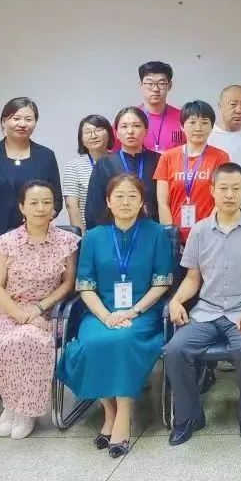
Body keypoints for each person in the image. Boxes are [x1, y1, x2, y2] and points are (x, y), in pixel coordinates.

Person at [55, 174, 173, 458]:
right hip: (101, 312)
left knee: (122, 341)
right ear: (108, 201)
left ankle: (123, 416)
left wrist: (133, 311)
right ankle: (110, 411)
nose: (125, 202)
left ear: (142, 201)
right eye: (119, 196)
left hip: (142, 312)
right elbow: (85, 286)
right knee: (92, 343)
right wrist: (107, 316)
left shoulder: (156, 233)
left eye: (133, 196)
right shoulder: (94, 237)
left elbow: (162, 282)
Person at [163, 163, 241, 447]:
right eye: (223, 188)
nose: (229, 194)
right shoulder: (199, 231)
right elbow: (192, 278)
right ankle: (189, 417)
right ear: (212, 190)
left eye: (236, 188)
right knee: (175, 350)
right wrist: (176, 300)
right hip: (207, 311)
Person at [0, 180, 79, 439]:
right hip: (6, 309)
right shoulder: (6, 242)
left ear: (54, 208)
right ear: (22, 207)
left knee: (29, 340)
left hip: (47, 311)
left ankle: (26, 410)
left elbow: (68, 283)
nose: (41, 208)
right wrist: (20, 315)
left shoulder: (67, 241)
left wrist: (39, 308)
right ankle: (11, 403)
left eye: (47, 202)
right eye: (34, 203)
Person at [0, 97, 63, 239]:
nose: (22, 124)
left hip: (34, 235)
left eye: (28, 119)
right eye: (16, 119)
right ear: (3, 122)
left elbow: (57, 199)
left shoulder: (46, 155)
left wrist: (40, 219)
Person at [154, 101, 230, 247]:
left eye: (204, 122)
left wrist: (208, 231)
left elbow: (221, 199)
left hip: (209, 235)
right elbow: (162, 201)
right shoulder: (167, 157)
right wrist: (170, 233)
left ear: (211, 127)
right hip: (175, 237)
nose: (198, 128)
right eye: (192, 122)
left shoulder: (221, 157)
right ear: (182, 126)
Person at [85, 107, 161, 230]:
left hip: (152, 230)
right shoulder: (104, 164)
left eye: (136, 126)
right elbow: (95, 206)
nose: (130, 131)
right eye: (124, 126)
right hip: (113, 231)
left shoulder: (159, 160)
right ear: (117, 133)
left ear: (146, 131)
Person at [208, 85, 241, 217]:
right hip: (217, 212)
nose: (239, 110)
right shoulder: (208, 135)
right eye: (233, 104)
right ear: (220, 105)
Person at [63, 115, 113, 232]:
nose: (93, 135)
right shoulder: (74, 167)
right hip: (89, 231)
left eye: (98, 130)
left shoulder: (119, 161)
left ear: (109, 134)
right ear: (81, 139)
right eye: (87, 132)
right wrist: (82, 237)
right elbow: (72, 206)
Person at [120, 61, 185, 152]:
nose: (155, 89)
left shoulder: (183, 118)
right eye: (150, 84)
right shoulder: (127, 118)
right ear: (141, 85)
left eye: (161, 84)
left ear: (169, 86)